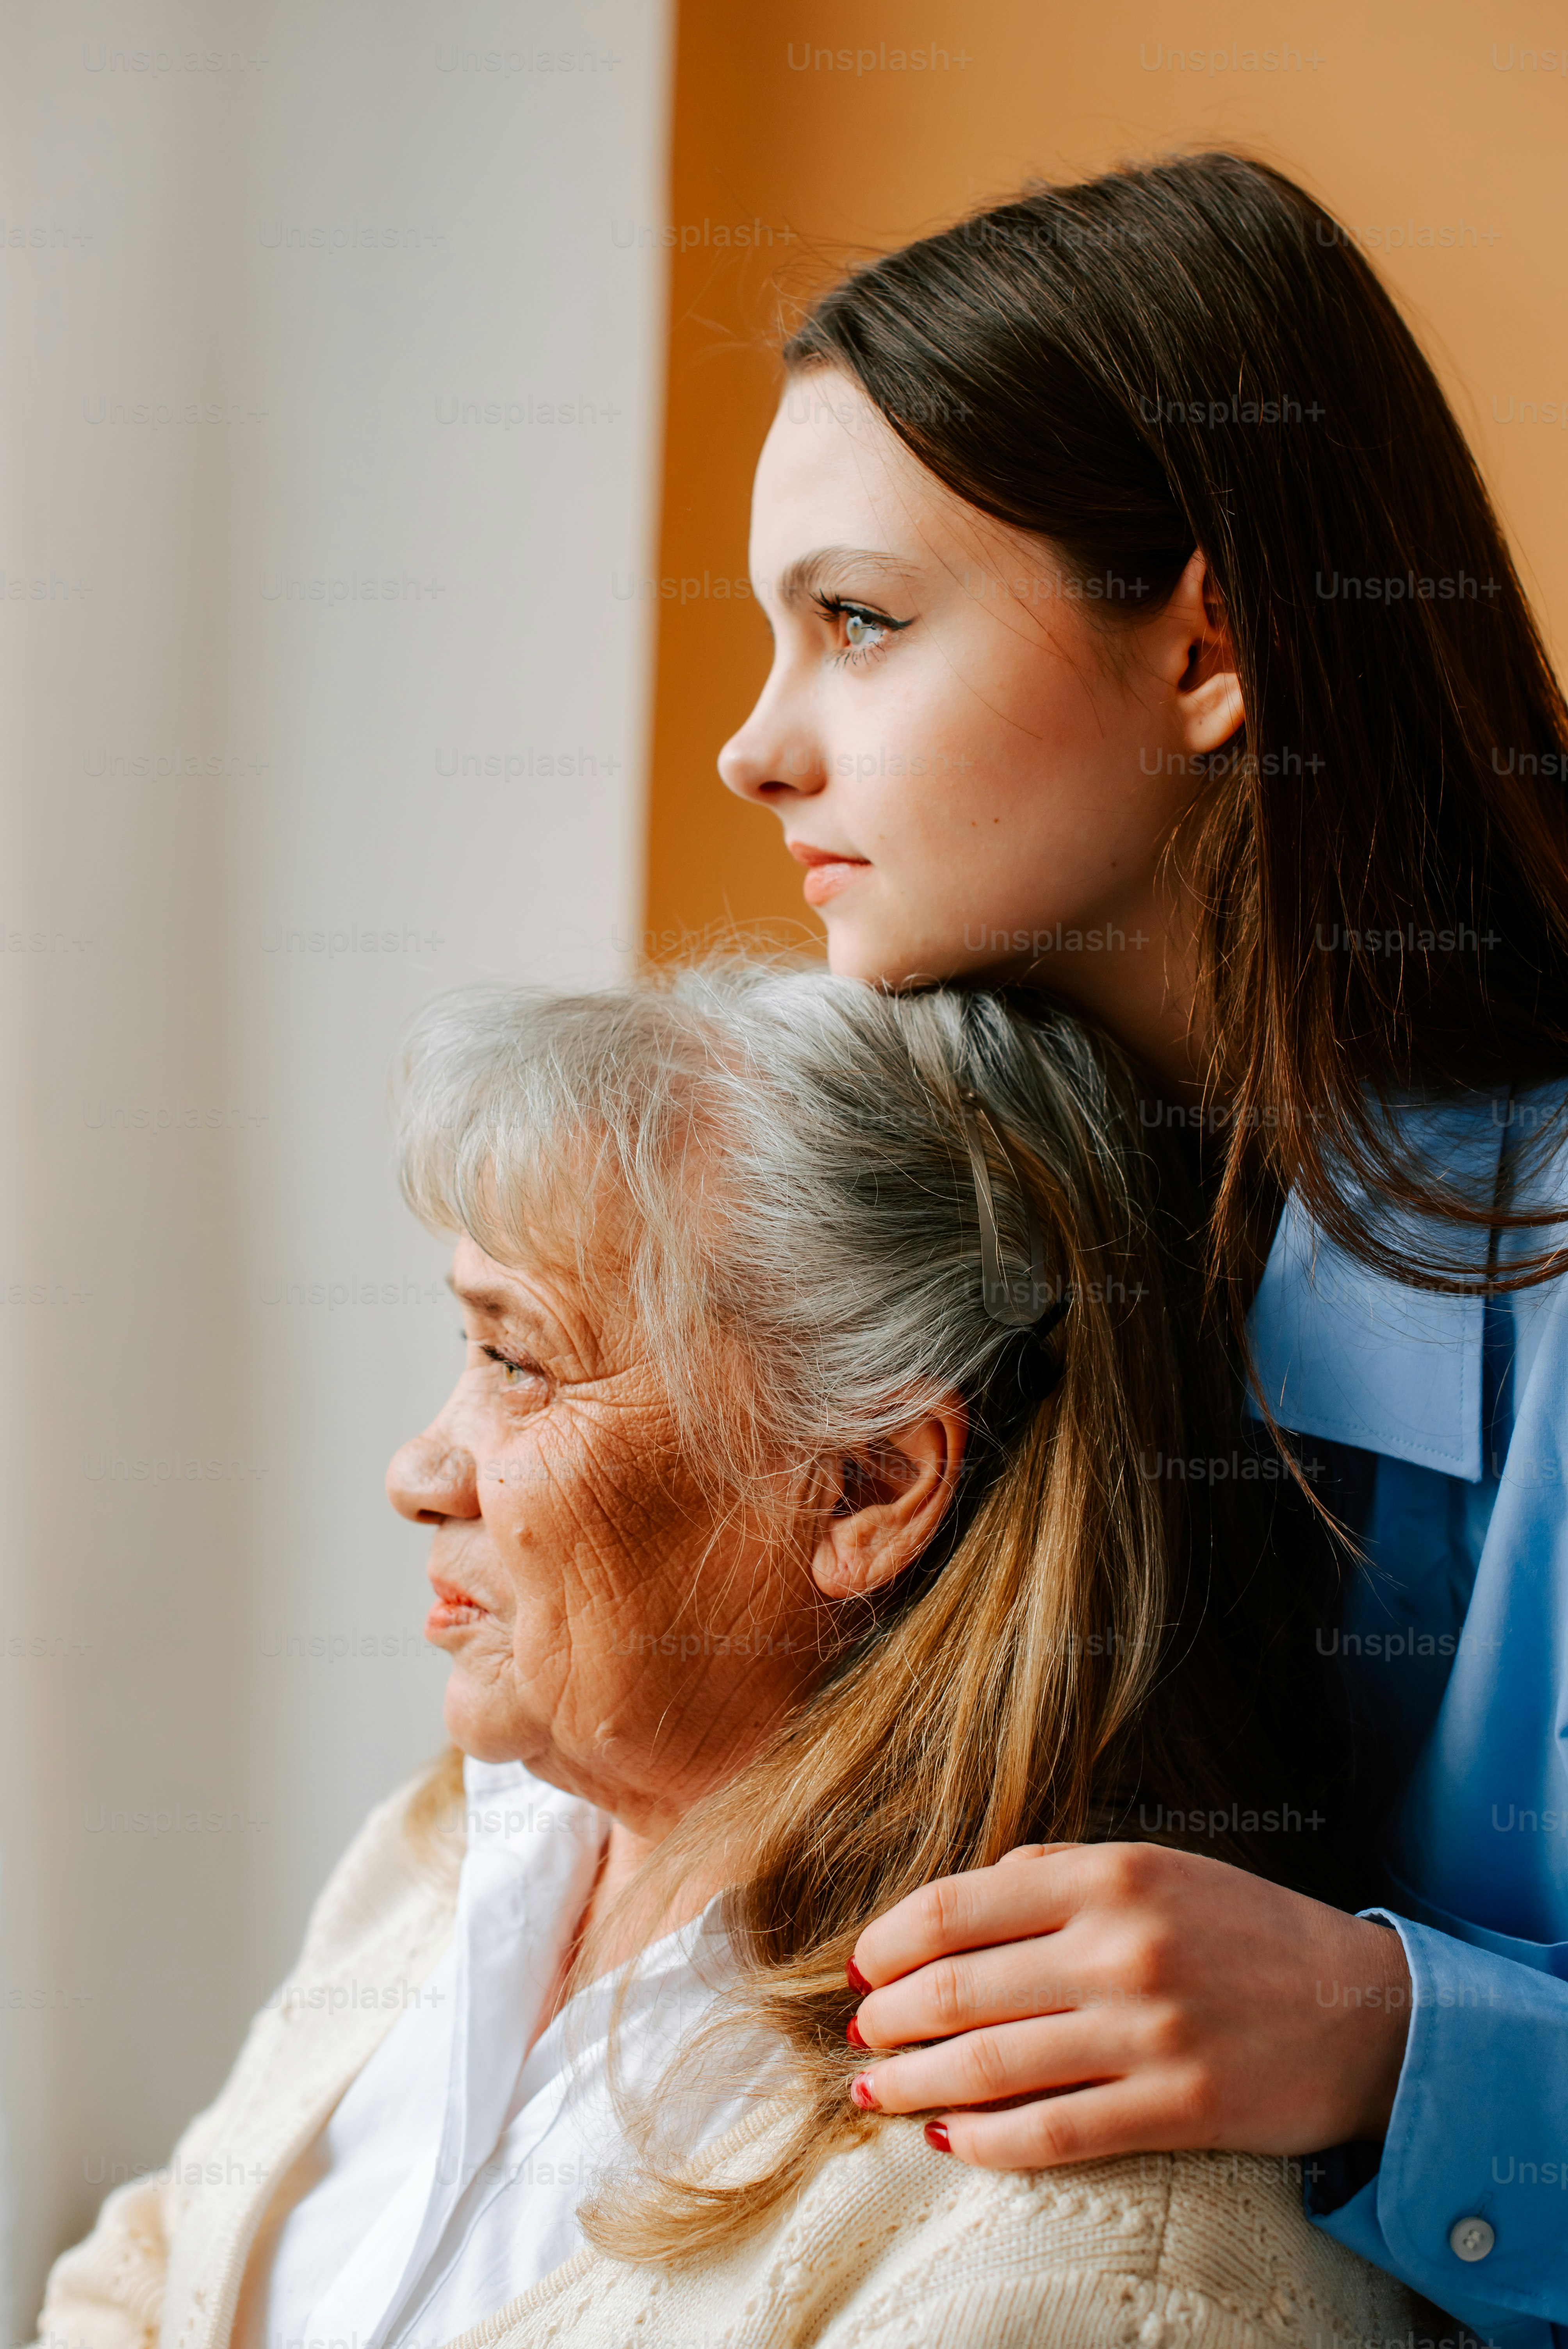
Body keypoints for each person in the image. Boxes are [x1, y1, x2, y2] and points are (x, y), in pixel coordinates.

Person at [34, 963, 1416, 2349]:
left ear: (866, 1488)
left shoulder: (1094, 2253)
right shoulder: (466, 1837)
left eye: (522, 1363)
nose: (416, 1470)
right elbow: (154, 2275)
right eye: (469, 1339)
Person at [716, 150, 1568, 2342]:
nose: (753, 744)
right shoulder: (1025, 1236)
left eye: (862, 620)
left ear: (1207, 648)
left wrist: (1396, 2039)